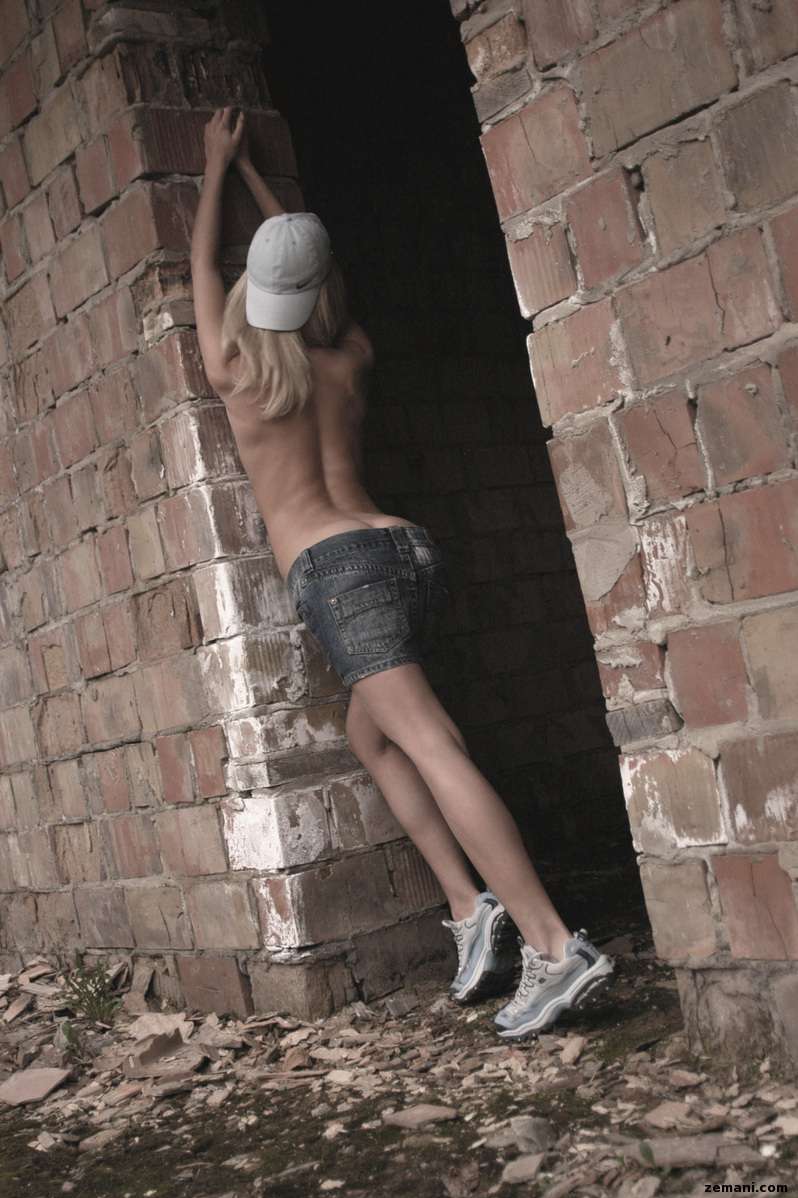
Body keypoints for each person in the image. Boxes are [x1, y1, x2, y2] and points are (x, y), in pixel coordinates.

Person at [189, 107, 614, 1040]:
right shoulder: (350, 356)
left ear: (254, 297)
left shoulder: (235, 369)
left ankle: (554, 945)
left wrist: (217, 169)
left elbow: (203, 268)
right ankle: (471, 909)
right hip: (407, 552)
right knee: (375, 739)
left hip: (340, 574)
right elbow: (315, 263)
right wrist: (266, 190)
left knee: (431, 744)